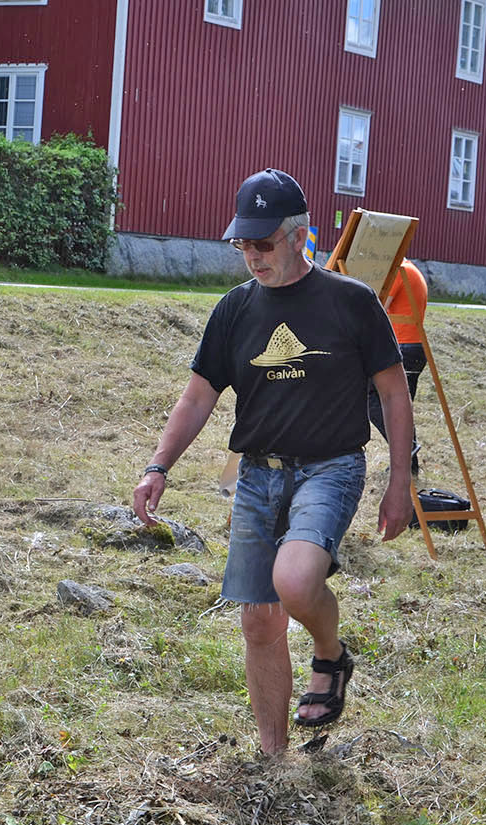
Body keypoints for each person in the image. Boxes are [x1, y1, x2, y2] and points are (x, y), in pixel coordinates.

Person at [132, 168, 413, 755]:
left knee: (294, 581)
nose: (252, 256)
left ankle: (330, 655)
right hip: (258, 474)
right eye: (243, 244)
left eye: (262, 243)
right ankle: (273, 755)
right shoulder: (235, 310)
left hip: (331, 468)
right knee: (259, 621)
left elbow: (393, 393)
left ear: (299, 235)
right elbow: (197, 397)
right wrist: (158, 467)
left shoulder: (351, 302)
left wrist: (400, 481)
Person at [366, 259, 427, 475]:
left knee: (372, 398)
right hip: (413, 347)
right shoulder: (410, 269)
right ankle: (410, 463)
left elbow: (377, 308)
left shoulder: (399, 271)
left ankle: (407, 451)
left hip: (404, 347)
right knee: (401, 408)